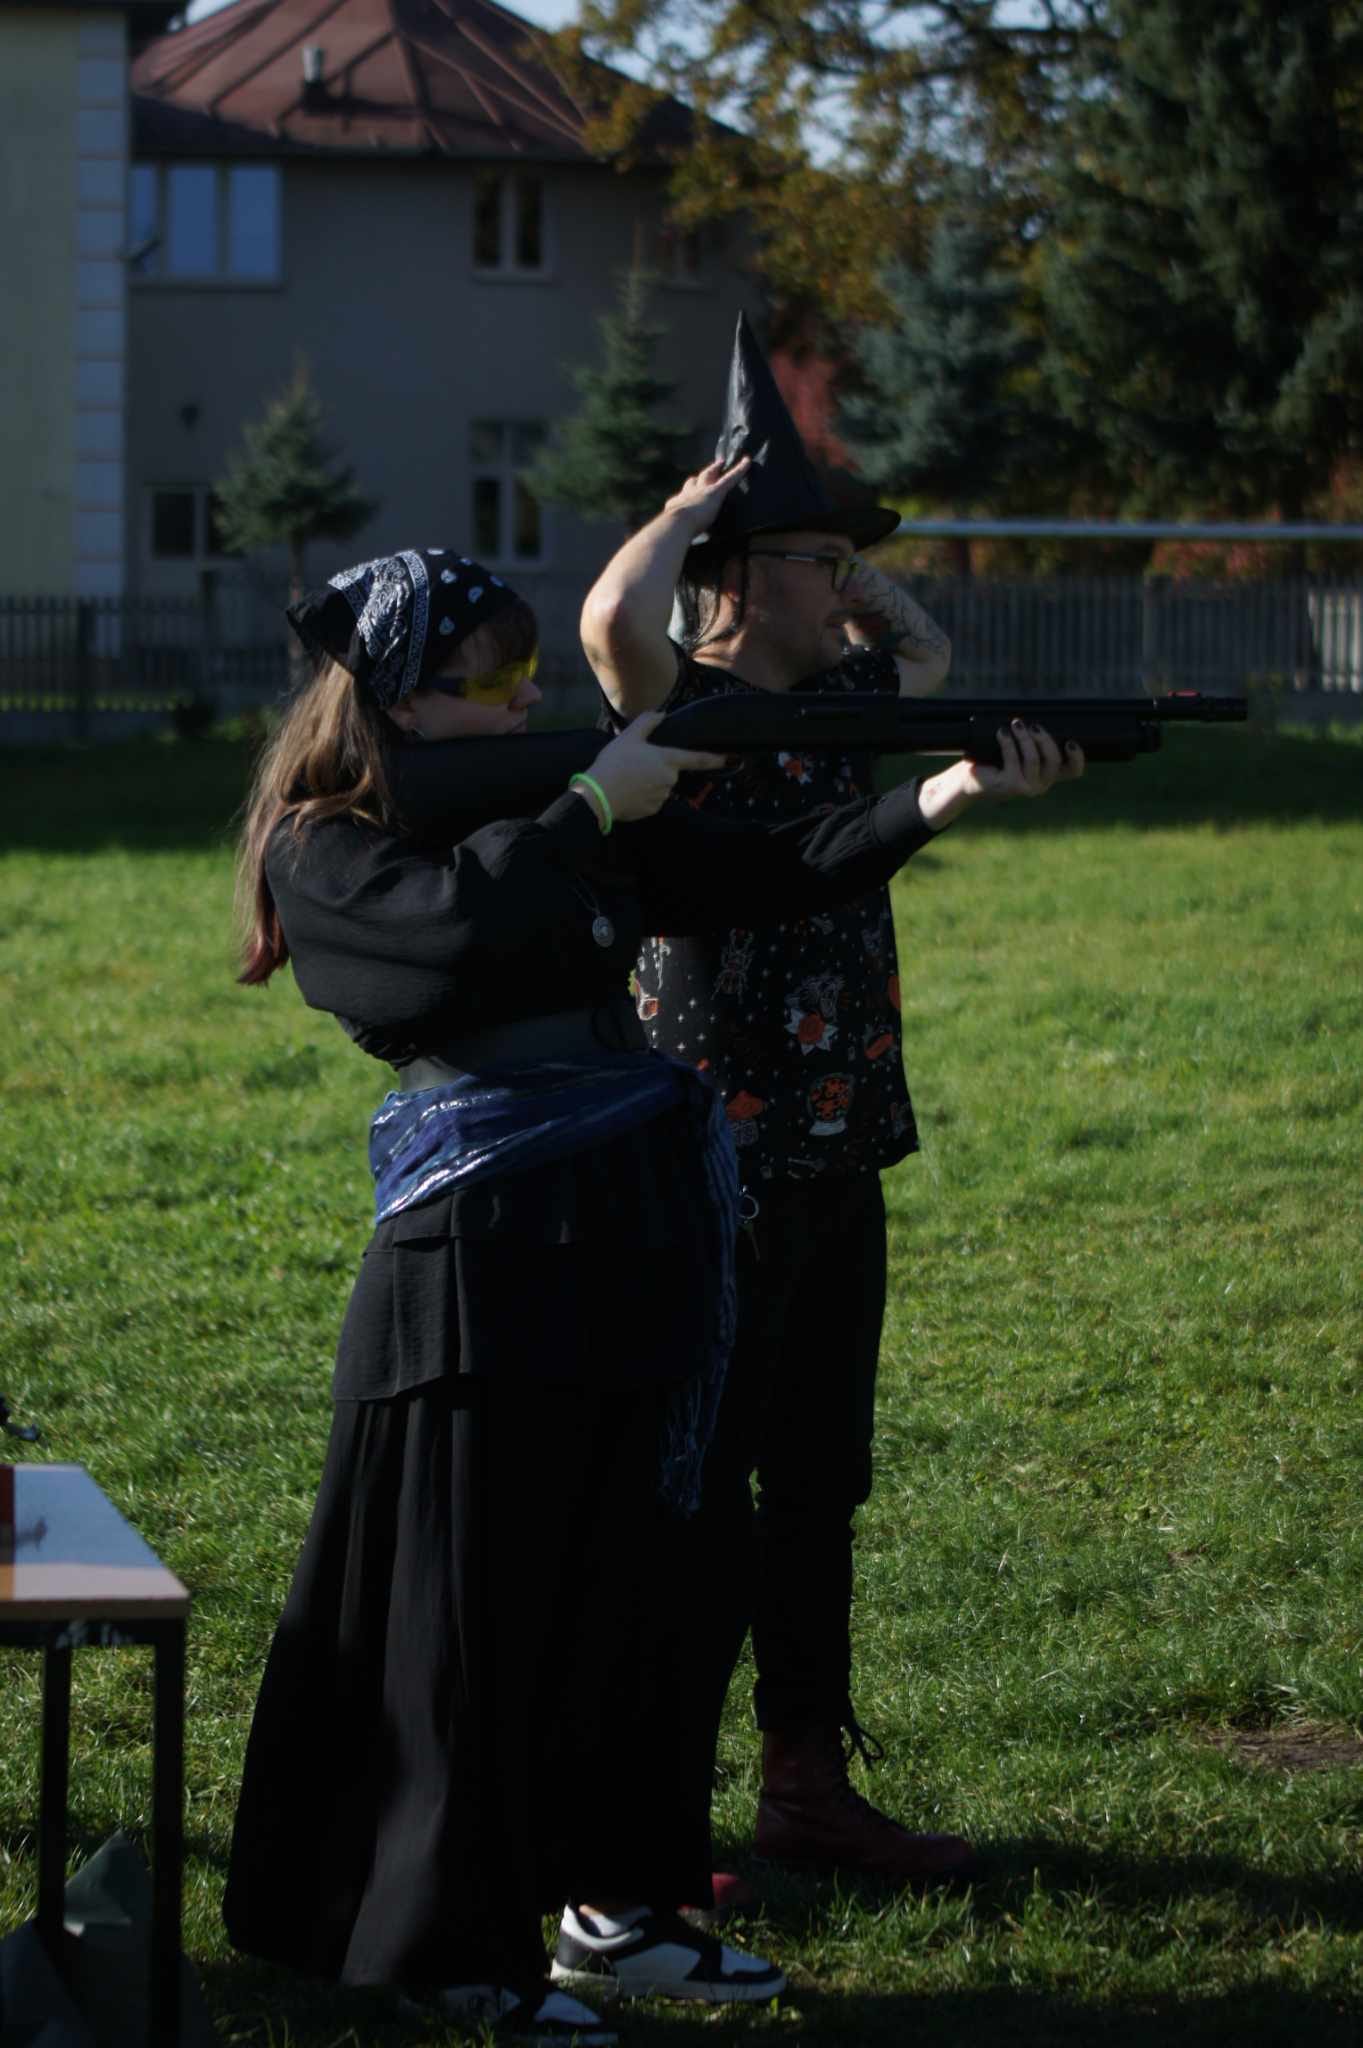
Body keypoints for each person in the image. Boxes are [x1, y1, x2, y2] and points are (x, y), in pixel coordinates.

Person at [221, 545, 956, 2040]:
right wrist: (583, 808)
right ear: (399, 701)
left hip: (621, 1235)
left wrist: (942, 795)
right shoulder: (328, 847)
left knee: (647, 1594)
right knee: (477, 1621)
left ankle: (620, 1908)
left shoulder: (548, 817)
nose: (525, 700)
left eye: (526, 674)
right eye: (492, 679)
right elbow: (448, 940)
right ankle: (452, 1948)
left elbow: (763, 874)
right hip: (478, 1266)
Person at [578, 315, 1085, 1900]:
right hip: (708, 1157)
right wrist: (691, 516)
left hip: (840, 1137)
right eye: (810, 557)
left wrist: (852, 574)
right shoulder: (678, 695)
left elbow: (924, 662)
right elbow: (606, 616)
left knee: (818, 1483)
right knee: (701, 1492)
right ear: (738, 571)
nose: (842, 579)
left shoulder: (856, 694)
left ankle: (806, 1784)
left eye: (839, 558)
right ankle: (655, 1814)